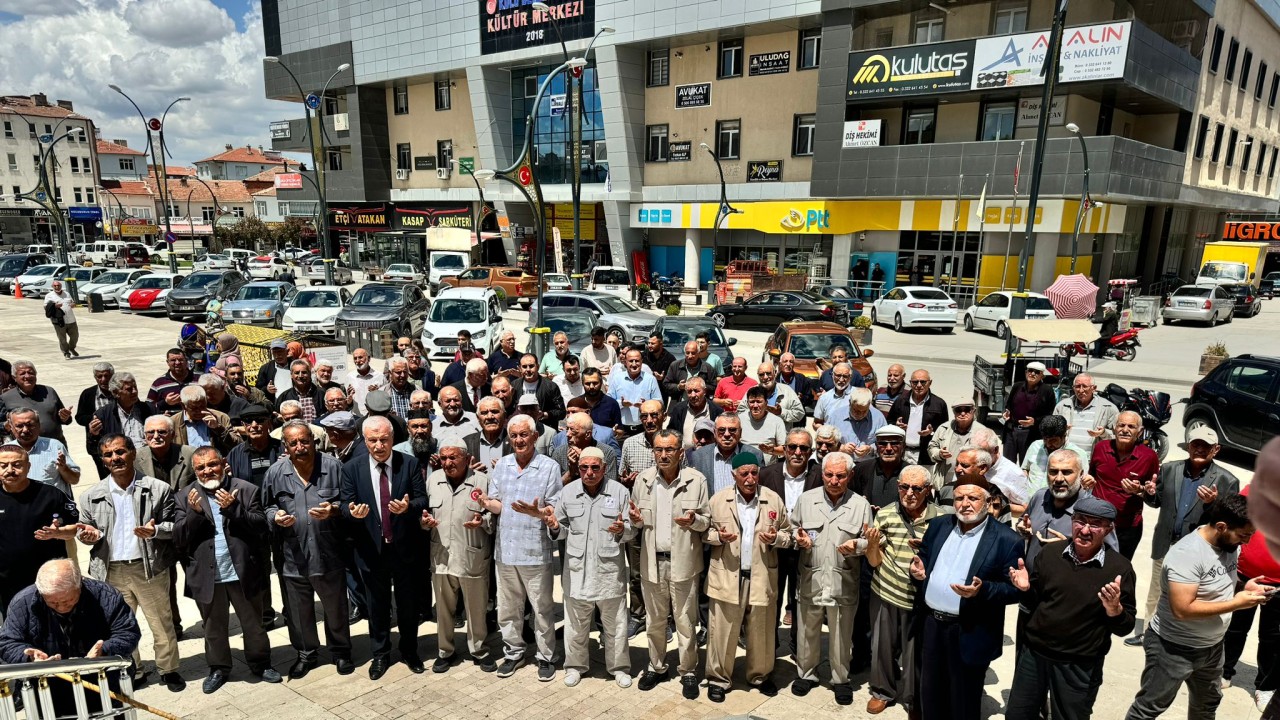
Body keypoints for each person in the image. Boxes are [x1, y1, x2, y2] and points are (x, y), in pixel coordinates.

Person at [1124, 493, 1269, 720]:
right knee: (1149, 708)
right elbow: (1182, 609)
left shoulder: (1229, 545)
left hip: (1212, 648)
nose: (1246, 542)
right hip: (1173, 648)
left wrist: (1243, 587)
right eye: (1243, 535)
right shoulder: (1188, 554)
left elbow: (1218, 580)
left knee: (1206, 705)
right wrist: (1237, 603)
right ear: (1221, 526)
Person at [1005, 494, 1137, 720]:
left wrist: (1114, 610)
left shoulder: (1120, 569)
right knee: (1017, 715)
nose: (1085, 530)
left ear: (1108, 530)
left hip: (1079, 664)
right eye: (1080, 521)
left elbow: (1125, 627)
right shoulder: (1050, 554)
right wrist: (1026, 589)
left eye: (1095, 525)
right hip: (1035, 655)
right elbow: (1034, 603)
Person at [75, 434, 183, 691]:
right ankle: (133, 671)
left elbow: (174, 525)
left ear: (133, 453)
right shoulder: (91, 495)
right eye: (109, 455)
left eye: (120, 452)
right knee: (119, 627)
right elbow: (85, 530)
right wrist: (89, 536)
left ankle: (169, 670)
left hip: (149, 568)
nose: (116, 458)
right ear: (103, 460)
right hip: (111, 571)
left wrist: (155, 531)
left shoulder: (158, 489)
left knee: (161, 622)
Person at [911, 478, 1024, 720]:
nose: (964, 504)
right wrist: (918, 571)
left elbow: (1014, 589)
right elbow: (923, 557)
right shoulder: (939, 526)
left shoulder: (1007, 539)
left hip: (970, 630)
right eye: (959, 498)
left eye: (973, 498)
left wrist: (982, 591)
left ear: (988, 502)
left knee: (963, 700)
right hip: (931, 626)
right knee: (930, 694)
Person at [174, 446, 282, 693]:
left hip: (243, 572)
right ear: (194, 471)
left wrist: (234, 509)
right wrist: (195, 514)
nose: (207, 471)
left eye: (212, 464)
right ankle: (219, 668)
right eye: (200, 467)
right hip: (208, 576)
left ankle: (260, 663)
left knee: (254, 625)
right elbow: (179, 539)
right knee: (213, 629)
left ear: (223, 463)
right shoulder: (184, 496)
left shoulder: (245, 489)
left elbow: (261, 528)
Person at [1126, 425, 1240, 647]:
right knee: (1157, 590)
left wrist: (1213, 504)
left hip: (1199, 553)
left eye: (1205, 446)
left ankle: (1180, 637)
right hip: (1167, 543)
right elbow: (1156, 500)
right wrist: (1146, 492)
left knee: (1190, 596)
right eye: (1195, 444)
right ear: (1188, 445)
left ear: (1216, 450)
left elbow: (1230, 521)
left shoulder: (1227, 481)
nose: (1199, 449)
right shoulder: (1170, 469)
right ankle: (1150, 633)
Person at [473, 414, 562, 682]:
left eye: (524, 435)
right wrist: (487, 503)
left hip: (535, 550)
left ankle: (546, 657)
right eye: (514, 436)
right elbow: (499, 504)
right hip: (506, 551)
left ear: (535, 437)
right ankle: (513, 652)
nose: (519, 440)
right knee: (508, 608)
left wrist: (540, 512)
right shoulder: (502, 466)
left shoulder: (549, 467)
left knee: (542, 609)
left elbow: (554, 507)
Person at [263, 421, 354, 678]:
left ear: (313, 441)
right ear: (286, 446)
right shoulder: (275, 473)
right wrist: (276, 516)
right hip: (294, 556)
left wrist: (334, 509)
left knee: (336, 607)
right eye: (294, 443)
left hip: (329, 554)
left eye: (305, 441)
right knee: (298, 612)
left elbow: (349, 501)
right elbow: (266, 506)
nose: (300, 447)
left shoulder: (334, 467)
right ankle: (306, 654)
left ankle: (341, 652)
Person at [340, 415, 427, 679]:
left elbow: (422, 499)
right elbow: (344, 505)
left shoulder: (409, 464)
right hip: (370, 549)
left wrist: (408, 508)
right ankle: (380, 654)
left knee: (407, 605)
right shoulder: (351, 469)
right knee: (376, 606)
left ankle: (410, 650)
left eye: (384, 439)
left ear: (393, 439)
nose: (379, 446)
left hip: (403, 548)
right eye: (372, 440)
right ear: (364, 440)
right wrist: (351, 512)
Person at [703, 453, 793, 702]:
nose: (751, 479)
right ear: (734, 475)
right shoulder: (719, 500)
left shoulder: (772, 499)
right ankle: (718, 679)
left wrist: (776, 539)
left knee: (761, 631)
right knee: (721, 631)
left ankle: (760, 676)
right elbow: (704, 533)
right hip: (727, 576)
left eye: (755, 473)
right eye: (745, 473)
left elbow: (789, 533)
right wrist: (718, 537)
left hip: (762, 575)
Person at [544, 446, 636, 688]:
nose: (589, 473)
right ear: (579, 468)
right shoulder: (567, 492)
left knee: (615, 624)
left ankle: (618, 667)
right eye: (584, 468)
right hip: (577, 572)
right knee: (575, 625)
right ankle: (575, 666)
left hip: (609, 572)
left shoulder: (619, 492)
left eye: (595, 468)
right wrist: (554, 526)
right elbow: (560, 529)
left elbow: (631, 529)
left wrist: (622, 530)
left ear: (604, 468)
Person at [0, 559, 141, 715]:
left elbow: (128, 632)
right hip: (48, 689)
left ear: (79, 585)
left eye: (68, 600)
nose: (61, 607)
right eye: (53, 602)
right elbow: (7, 642)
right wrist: (29, 656)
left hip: (103, 683)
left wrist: (105, 650)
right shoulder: (23, 602)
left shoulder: (106, 595)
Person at [629, 429, 710, 699]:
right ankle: (657, 666)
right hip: (652, 563)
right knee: (654, 621)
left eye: (670, 450)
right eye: (659, 450)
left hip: (684, 563)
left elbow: (706, 521)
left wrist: (694, 521)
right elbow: (637, 521)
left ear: (680, 453)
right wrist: (633, 520)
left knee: (686, 621)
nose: (663, 455)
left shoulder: (696, 480)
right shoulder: (643, 480)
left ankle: (688, 671)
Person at [789, 451, 874, 705]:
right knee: (807, 629)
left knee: (841, 632)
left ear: (850, 475)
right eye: (829, 474)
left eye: (840, 475)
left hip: (843, 578)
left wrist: (856, 546)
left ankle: (840, 679)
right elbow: (793, 527)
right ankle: (807, 674)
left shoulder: (860, 504)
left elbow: (868, 540)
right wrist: (798, 538)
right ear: (822, 474)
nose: (834, 480)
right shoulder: (806, 500)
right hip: (811, 574)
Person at [865, 464, 940, 715]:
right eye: (904, 487)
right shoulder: (885, 515)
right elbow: (875, 561)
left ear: (928, 490)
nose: (909, 493)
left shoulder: (940, 519)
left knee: (914, 652)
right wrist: (872, 545)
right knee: (882, 647)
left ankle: (912, 696)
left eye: (916, 488)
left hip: (920, 598)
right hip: (886, 591)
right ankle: (882, 691)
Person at [420, 438, 498, 673]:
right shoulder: (433, 480)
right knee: (443, 609)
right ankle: (445, 651)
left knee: (476, 608)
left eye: (453, 457)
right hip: (441, 554)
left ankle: (480, 650)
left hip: (471, 555)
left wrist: (482, 520)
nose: (448, 462)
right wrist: (424, 523)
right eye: (443, 458)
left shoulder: (482, 481)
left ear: (466, 458)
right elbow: (424, 515)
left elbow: (494, 517)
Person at [0, 444, 80, 617]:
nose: (10, 470)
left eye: (17, 464)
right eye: (3, 465)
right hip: (7, 584)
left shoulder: (51, 494)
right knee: (17, 633)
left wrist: (58, 533)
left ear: (28, 467)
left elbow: (75, 528)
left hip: (50, 582)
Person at [1221, 484, 1279, 710]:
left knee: (1272, 637)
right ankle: (1224, 672)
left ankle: (1264, 687)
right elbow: (1234, 514)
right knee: (1235, 626)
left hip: (1279, 584)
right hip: (1245, 575)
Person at [1089, 410, 1161, 558]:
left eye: (1131, 426)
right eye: (1121, 425)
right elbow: (1092, 477)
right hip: (1097, 522)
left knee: (1119, 569)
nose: (1125, 430)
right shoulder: (1100, 448)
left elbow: (1154, 493)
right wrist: (1087, 481)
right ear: (1114, 428)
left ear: (1139, 432)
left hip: (1127, 528)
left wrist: (1140, 490)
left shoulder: (1149, 456)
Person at [7, 407, 80, 498]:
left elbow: (74, 480)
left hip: (52, 507)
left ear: (39, 425)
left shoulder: (54, 446)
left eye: (30, 425)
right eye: (19, 426)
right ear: (11, 427)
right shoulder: (5, 452)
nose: (25, 430)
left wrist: (64, 468)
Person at [88, 372, 153, 472]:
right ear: (115, 392)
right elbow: (93, 450)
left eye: (135, 387)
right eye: (129, 389)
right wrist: (93, 435)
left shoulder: (149, 409)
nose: (134, 391)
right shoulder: (103, 415)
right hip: (120, 466)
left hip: (149, 463)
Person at [689, 414, 763, 497]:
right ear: (714, 432)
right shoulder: (699, 456)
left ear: (740, 432)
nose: (727, 434)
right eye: (721, 430)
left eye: (732, 430)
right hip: (710, 509)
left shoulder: (754, 455)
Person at [2, 360, 73, 443]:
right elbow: (1, 425)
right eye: (22, 373)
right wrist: (5, 426)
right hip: (25, 448)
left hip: (55, 444)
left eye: (31, 373)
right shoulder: (5, 398)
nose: (27, 376)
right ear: (14, 377)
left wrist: (65, 417)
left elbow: (64, 418)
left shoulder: (49, 391)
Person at [886, 369, 948, 465]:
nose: (919, 385)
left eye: (923, 382)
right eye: (915, 382)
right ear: (910, 383)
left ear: (930, 383)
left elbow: (944, 431)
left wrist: (931, 432)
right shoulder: (901, 401)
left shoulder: (939, 404)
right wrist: (896, 426)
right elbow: (889, 422)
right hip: (903, 454)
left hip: (925, 456)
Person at [927, 400, 991, 491]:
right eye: (958, 410)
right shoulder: (943, 428)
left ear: (974, 411)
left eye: (967, 410)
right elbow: (932, 447)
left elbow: (987, 459)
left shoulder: (982, 432)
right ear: (953, 412)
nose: (963, 413)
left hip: (970, 485)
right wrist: (939, 454)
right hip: (944, 483)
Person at [1001, 361, 1058, 463]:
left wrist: (1034, 421)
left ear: (1042, 376)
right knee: (1007, 464)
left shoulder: (1047, 391)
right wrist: (1006, 413)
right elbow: (1008, 405)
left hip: (1030, 434)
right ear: (1026, 372)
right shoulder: (1017, 386)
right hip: (1011, 431)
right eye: (1030, 371)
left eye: (1036, 372)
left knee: (1027, 465)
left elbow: (1050, 414)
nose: (1032, 374)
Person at [1054, 373, 1119, 456]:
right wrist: (1060, 430)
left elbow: (1117, 437)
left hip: (1094, 459)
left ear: (1094, 388)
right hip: (1066, 458)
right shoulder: (1062, 406)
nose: (1081, 390)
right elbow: (1051, 432)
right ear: (1073, 388)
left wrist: (1103, 433)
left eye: (1084, 386)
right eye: (1077, 386)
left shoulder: (1108, 408)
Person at [1020, 414, 1088, 493]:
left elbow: (1083, 483)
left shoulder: (1078, 454)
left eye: (1053, 440)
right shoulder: (1035, 446)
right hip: (1030, 502)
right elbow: (1025, 470)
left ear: (1064, 436)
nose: (1049, 444)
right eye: (1045, 439)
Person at [609, 348, 662, 435]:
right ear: (625, 362)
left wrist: (646, 405)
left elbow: (659, 403)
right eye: (631, 361)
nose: (634, 364)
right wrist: (621, 404)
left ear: (641, 362)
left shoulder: (650, 379)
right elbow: (609, 403)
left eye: (637, 361)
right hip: (622, 430)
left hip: (645, 428)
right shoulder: (617, 379)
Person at [135, 415, 195, 492]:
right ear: (145, 436)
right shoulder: (135, 457)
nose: (156, 436)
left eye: (162, 432)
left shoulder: (190, 454)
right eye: (151, 432)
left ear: (172, 435)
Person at [76, 362, 115, 477]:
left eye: (107, 376)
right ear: (95, 377)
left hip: (119, 440)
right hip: (98, 444)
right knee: (105, 477)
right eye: (99, 377)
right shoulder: (88, 394)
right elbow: (79, 417)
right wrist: (93, 419)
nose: (103, 380)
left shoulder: (120, 391)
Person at [827, 386, 887, 459]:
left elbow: (885, 443)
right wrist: (841, 448)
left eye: (864, 411)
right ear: (850, 403)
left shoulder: (878, 418)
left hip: (868, 464)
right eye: (856, 410)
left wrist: (870, 449)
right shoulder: (836, 416)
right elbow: (825, 440)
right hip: (842, 462)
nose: (860, 414)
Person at [666, 376, 721, 448]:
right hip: (685, 456)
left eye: (696, 391)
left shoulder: (716, 411)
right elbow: (671, 433)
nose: (693, 395)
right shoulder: (678, 409)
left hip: (708, 456)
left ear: (705, 391)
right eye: (689, 392)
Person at [737, 386, 786, 464]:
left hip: (767, 469)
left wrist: (772, 450)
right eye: (752, 402)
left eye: (759, 402)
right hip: (744, 467)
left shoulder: (777, 421)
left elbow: (785, 449)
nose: (755, 406)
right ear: (747, 403)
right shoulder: (739, 420)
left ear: (766, 403)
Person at [515, 353, 566, 425]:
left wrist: (545, 414)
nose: (528, 369)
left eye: (531, 366)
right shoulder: (514, 386)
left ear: (538, 367)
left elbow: (561, 412)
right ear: (520, 368)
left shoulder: (551, 386)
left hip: (544, 428)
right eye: (524, 367)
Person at [149, 348, 198, 415]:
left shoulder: (199, 380)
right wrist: (165, 403)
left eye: (180, 360)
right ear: (168, 362)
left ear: (186, 361)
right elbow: (148, 407)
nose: (177, 363)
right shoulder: (159, 383)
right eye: (173, 360)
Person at [814, 362, 857, 426]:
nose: (841, 380)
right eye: (838, 375)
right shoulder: (824, 398)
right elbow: (817, 422)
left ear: (850, 377)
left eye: (845, 376)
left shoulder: (858, 395)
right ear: (833, 375)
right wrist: (825, 431)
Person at [44, 280, 79, 358]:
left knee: (75, 336)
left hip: (71, 319)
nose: (57, 287)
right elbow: (45, 307)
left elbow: (72, 302)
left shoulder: (67, 294)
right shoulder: (49, 295)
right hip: (59, 320)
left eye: (58, 285)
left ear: (61, 286)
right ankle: (66, 352)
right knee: (62, 338)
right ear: (52, 287)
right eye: (55, 286)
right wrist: (55, 305)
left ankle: (72, 348)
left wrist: (73, 304)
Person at [346, 347, 385, 414]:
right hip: (356, 417)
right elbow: (347, 401)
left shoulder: (380, 376)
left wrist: (377, 393)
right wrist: (349, 398)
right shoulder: (349, 377)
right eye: (355, 358)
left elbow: (386, 398)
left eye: (360, 357)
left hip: (375, 415)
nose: (357, 361)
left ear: (368, 359)